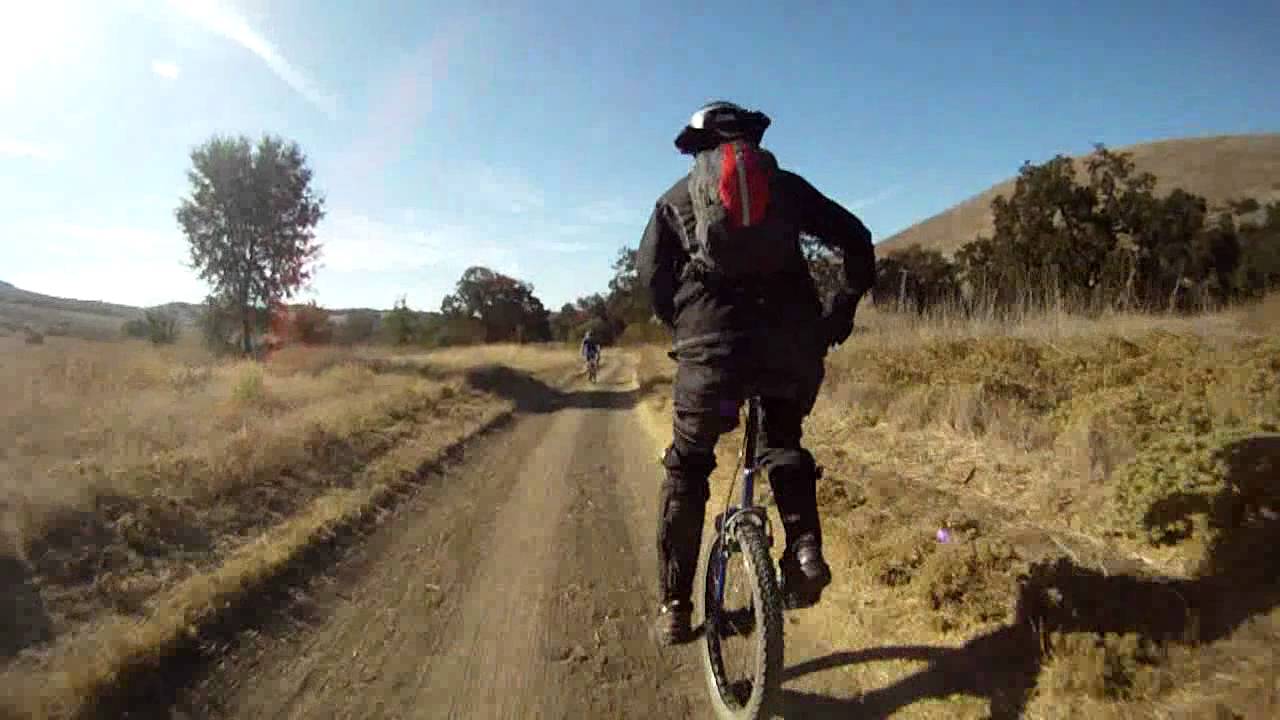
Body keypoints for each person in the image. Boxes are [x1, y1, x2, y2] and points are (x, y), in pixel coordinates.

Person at [637, 100, 876, 646]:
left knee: (688, 467)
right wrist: (839, 311)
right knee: (782, 441)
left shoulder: (674, 200)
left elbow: (651, 277)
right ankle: (805, 548)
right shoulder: (787, 188)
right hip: (789, 346)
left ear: (697, 148)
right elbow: (857, 238)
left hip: (710, 354)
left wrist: (686, 329)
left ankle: (675, 606)